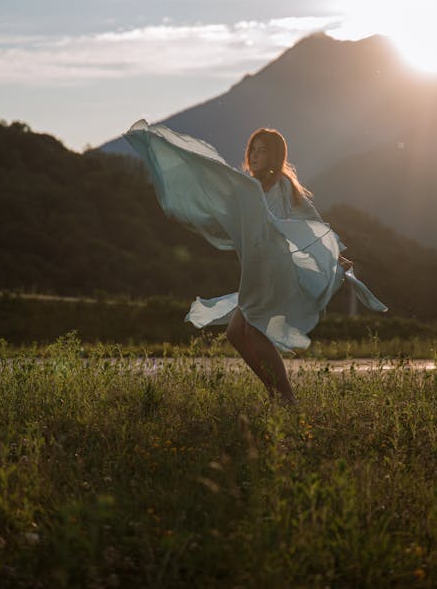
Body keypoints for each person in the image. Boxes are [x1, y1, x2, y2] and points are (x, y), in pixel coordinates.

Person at [124, 121, 387, 406]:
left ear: (274, 156)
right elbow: (216, 193)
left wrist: (334, 254)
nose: (255, 155)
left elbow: (312, 222)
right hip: (256, 268)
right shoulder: (247, 188)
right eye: (253, 149)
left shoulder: (284, 186)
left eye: (262, 151)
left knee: (254, 332)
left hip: (275, 269)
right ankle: (277, 393)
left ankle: (286, 397)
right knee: (236, 333)